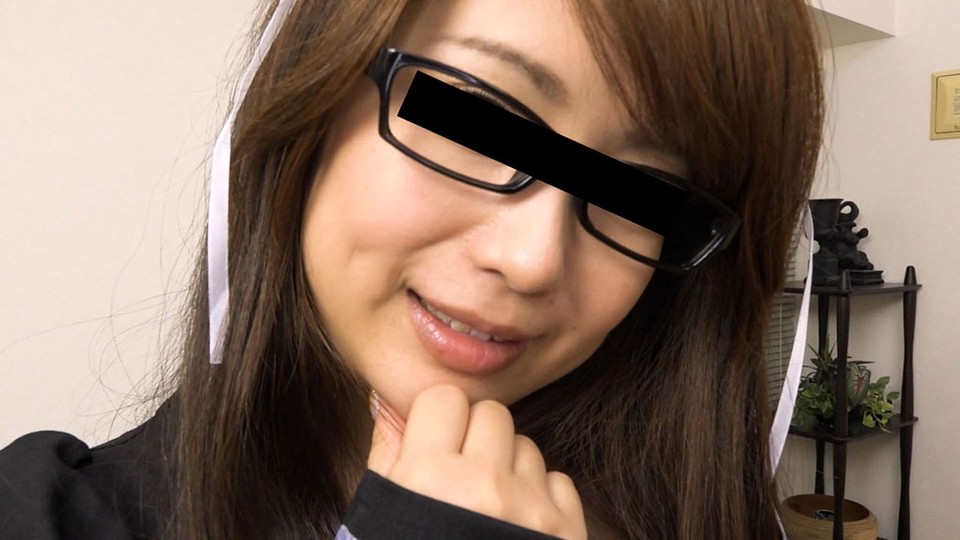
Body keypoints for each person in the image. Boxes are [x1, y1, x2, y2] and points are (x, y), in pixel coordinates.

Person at [0, 0, 824, 538]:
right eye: (475, 121)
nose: (531, 261)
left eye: (638, 194)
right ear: (311, 102)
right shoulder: (46, 515)